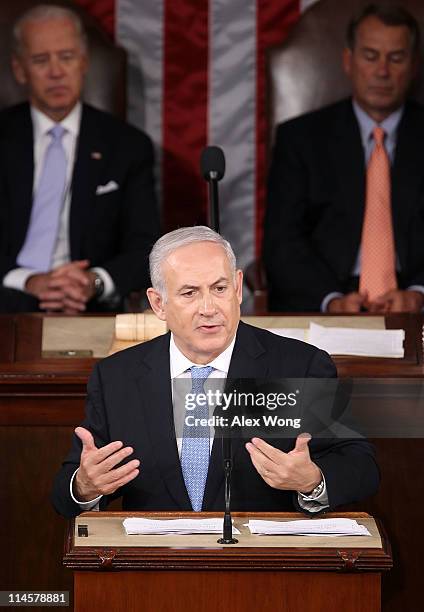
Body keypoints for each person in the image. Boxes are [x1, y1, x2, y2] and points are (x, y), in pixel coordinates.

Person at [51, 226, 379, 518]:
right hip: (154, 573)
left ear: (238, 287)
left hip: (263, 571)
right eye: (190, 293)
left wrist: (312, 480)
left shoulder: (297, 366)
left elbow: (361, 465)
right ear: (158, 304)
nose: (209, 308)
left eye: (219, 288)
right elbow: (67, 495)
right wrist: (85, 486)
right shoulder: (117, 378)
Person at [264, 3, 424, 313]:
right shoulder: (300, 139)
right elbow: (282, 242)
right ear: (348, 61)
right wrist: (331, 301)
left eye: (395, 58)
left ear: (413, 65)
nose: (382, 71)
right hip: (327, 298)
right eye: (370, 56)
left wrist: (419, 294)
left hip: (414, 302)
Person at [0, 4, 159, 313]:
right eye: (41, 60)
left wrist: (93, 282)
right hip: (7, 299)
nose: (56, 71)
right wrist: (28, 280)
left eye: (67, 57)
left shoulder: (127, 146)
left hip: (89, 306)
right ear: (19, 70)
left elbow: (145, 248)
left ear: (84, 62)